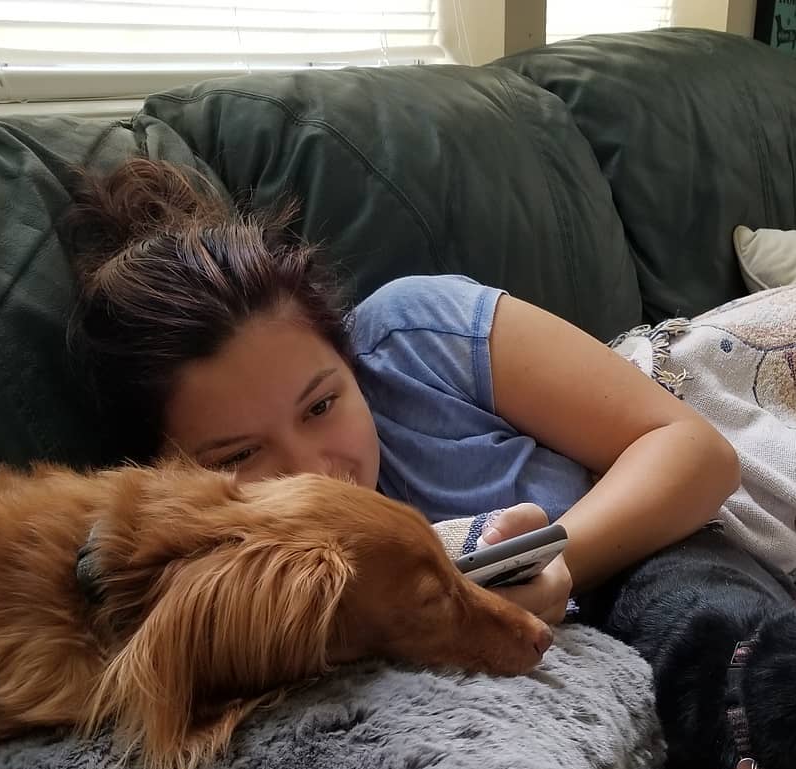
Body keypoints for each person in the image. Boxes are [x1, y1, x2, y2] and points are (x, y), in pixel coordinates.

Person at [64, 158, 739, 625]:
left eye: (322, 405)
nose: (314, 474)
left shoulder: (416, 333)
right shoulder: (222, 574)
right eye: (239, 455)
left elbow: (695, 448)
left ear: (348, 358)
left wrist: (540, 565)